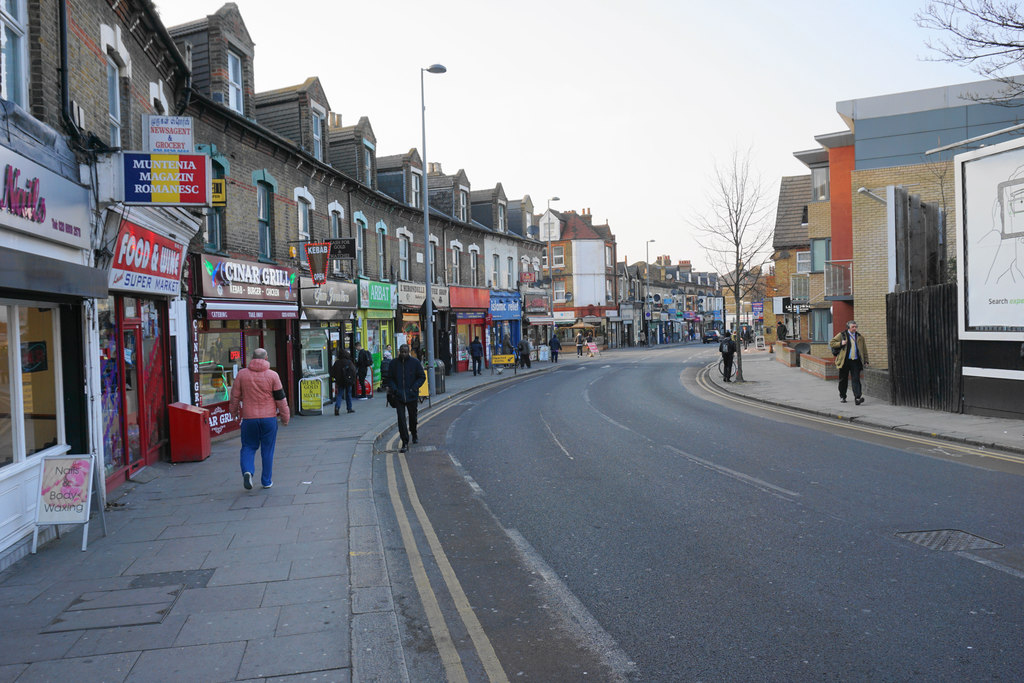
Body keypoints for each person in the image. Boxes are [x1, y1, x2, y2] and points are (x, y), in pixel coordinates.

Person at [229, 348, 289, 490]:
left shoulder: (242, 375)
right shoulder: (273, 375)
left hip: (249, 418)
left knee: (248, 447)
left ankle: (248, 471)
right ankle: (266, 481)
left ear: (252, 358)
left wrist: (233, 412)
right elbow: (280, 398)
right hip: (269, 418)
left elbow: (234, 396)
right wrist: (285, 417)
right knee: (268, 450)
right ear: (266, 358)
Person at [388, 344, 426, 453]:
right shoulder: (393, 364)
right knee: (401, 419)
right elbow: (389, 379)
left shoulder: (415, 363)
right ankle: (404, 442)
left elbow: (422, 377)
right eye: (401, 352)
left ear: (409, 352)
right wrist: (395, 389)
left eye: (405, 352)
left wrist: (414, 388)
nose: (403, 354)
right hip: (398, 396)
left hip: (412, 395)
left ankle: (414, 433)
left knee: (413, 417)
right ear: (399, 351)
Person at [830, 320, 869, 405]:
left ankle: (857, 398)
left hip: (855, 361)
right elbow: (832, 343)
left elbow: (864, 350)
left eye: (855, 327)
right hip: (845, 361)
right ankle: (843, 396)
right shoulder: (842, 335)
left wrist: (866, 360)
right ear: (848, 328)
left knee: (856, 379)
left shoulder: (860, 337)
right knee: (843, 380)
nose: (855, 328)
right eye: (853, 327)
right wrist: (841, 343)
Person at [329, 349, 357, 415]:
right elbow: (354, 371)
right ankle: (349, 408)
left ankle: (337, 407)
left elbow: (332, 372)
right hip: (348, 380)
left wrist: (336, 377)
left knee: (339, 394)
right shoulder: (349, 362)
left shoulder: (337, 362)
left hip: (340, 381)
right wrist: (353, 379)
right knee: (348, 394)